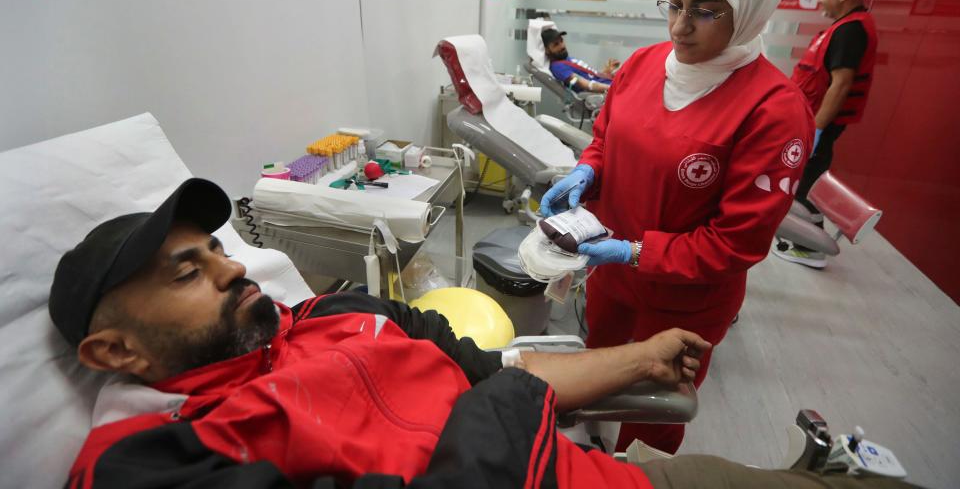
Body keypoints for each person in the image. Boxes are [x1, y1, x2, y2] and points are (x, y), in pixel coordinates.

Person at [49, 178, 918, 489]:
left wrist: (637, 357)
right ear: (115, 353)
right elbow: (505, 393)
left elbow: (500, 364)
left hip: (594, 475)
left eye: (216, 250)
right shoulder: (148, 461)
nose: (234, 269)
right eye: (186, 273)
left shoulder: (334, 312)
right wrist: (500, 408)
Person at [539, 0, 815, 455]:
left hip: (685, 299)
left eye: (706, 11)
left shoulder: (775, 111)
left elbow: (736, 242)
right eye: (674, 2)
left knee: (653, 413)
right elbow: (604, 139)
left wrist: (634, 250)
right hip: (613, 278)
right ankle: (588, 449)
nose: (679, 27)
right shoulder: (643, 66)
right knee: (596, 371)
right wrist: (587, 170)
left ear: (751, 8)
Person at [774, 0, 878, 269]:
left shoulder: (850, 31)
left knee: (805, 185)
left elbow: (841, 84)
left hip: (819, 125)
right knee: (805, 183)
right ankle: (808, 245)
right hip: (812, 123)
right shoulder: (845, 28)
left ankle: (810, 249)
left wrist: (816, 131)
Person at [542, 27, 618, 94]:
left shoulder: (568, 60)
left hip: (612, 83)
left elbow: (591, 77)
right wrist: (615, 88)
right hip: (612, 91)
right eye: (556, 44)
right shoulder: (558, 67)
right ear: (547, 50)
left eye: (561, 41)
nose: (562, 46)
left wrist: (606, 72)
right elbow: (587, 85)